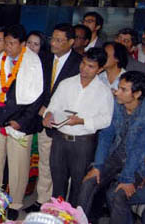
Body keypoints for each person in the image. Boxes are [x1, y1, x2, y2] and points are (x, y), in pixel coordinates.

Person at [78, 71, 145, 224]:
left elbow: (139, 150)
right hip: (116, 155)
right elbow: (106, 136)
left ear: (137, 94)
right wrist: (98, 166)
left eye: (123, 90)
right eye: (118, 88)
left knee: (118, 194)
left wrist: (127, 179)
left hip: (139, 165)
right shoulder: (115, 105)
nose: (117, 92)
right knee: (89, 181)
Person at [43, 47, 113, 207]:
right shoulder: (67, 83)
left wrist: (82, 121)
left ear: (100, 69)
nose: (84, 69)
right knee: (58, 182)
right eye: (83, 63)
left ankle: (72, 221)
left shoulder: (103, 91)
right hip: (60, 139)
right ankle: (57, 216)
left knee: (78, 184)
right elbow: (53, 105)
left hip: (83, 143)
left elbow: (106, 119)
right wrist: (48, 114)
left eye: (90, 66)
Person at [0, 24, 43, 220]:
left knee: (18, 166)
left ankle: (15, 203)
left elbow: (37, 99)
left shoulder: (33, 63)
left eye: (12, 43)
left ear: (23, 44)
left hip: (19, 124)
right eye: (6, 43)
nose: (8, 47)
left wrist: (20, 122)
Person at [25, 23, 83, 213]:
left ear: (71, 42)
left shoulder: (79, 64)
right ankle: (42, 200)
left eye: (59, 40)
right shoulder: (45, 58)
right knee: (44, 162)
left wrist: (53, 112)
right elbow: (38, 87)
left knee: (61, 169)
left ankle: (60, 204)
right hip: (43, 121)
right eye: (53, 39)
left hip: (66, 125)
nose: (54, 44)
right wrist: (41, 110)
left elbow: (76, 98)